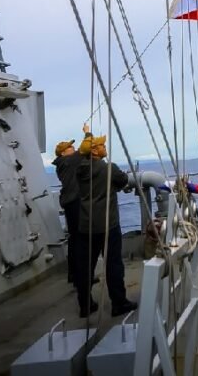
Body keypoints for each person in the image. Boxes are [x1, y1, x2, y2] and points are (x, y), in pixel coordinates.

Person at [75, 132, 137, 318]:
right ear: (94, 150)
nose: (104, 147)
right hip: (108, 225)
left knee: (86, 267)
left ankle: (85, 305)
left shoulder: (80, 170)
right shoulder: (108, 168)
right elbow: (123, 180)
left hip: (86, 225)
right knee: (113, 265)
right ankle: (119, 303)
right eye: (101, 145)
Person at [52, 134, 80, 286]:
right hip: (74, 203)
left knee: (75, 239)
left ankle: (74, 274)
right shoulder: (67, 161)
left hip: (70, 202)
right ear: (63, 153)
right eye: (70, 147)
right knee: (77, 240)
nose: (73, 148)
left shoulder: (65, 162)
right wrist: (87, 133)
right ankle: (77, 276)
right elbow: (83, 151)